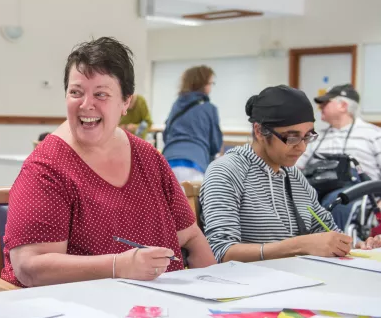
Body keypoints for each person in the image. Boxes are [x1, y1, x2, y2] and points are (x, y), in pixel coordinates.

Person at [1, 37, 216, 288]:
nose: (86, 104)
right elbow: (31, 268)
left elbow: (191, 238)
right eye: (76, 92)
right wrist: (118, 266)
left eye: (100, 94)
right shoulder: (47, 168)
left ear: (126, 102)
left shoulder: (148, 158)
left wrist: (218, 294)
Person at [200, 85, 381, 264]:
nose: (302, 147)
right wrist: (299, 245)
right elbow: (221, 252)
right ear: (259, 131)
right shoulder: (226, 171)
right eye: (292, 137)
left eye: (308, 136)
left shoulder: (294, 176)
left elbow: (326, 228)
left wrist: (355, 246)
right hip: (250, 284)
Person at [296, 84, 381, 230]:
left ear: (343, 105)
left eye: (326, 103)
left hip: (360, 194)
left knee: (337, 204)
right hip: (315, 189)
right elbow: (296, 167)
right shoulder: (316, 137)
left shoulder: (373, 135)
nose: (320, 107)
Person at [162, 65, 222, 183]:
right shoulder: (209, 108)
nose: (211, 87)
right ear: (203, 84)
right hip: (195, 164)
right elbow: (215, 145)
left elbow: (166, 135)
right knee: (192, 201)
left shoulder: (176, 105)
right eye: (210, 83)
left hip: (168, 162)